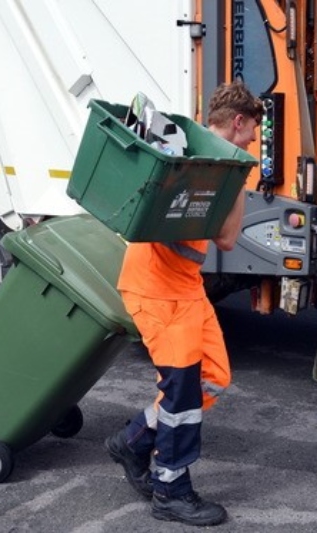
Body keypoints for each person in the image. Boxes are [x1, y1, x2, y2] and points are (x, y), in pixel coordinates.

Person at [105, 81, 262, 526]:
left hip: (183, 287)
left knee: (214, 376)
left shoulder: (204, 159)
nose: (253, 140)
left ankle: (133, 441)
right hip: (155, 289)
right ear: (238, 122)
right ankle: (171, 489)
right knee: (183, 390)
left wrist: (237, 176)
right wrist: (240, 182)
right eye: (252, 130)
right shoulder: (208, 165)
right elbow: (229, 239)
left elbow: (221, 240)